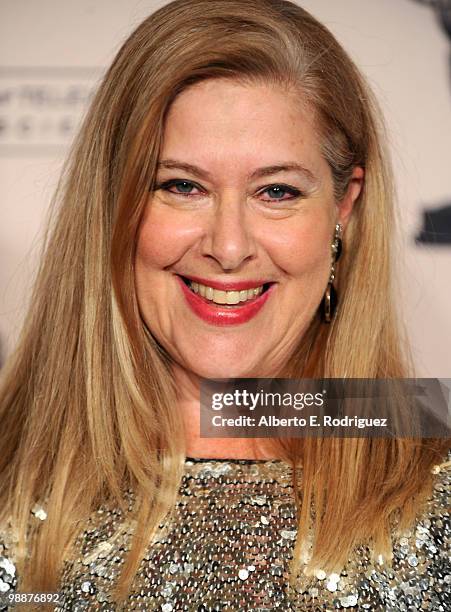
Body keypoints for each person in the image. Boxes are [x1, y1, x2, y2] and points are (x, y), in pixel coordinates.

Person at [0, 0, 449, 609]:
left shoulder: (432, 472)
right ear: (111, 202)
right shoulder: (10, 465)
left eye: (277, 191)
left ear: (344, 207)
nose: (229, 247)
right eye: (182, 186)